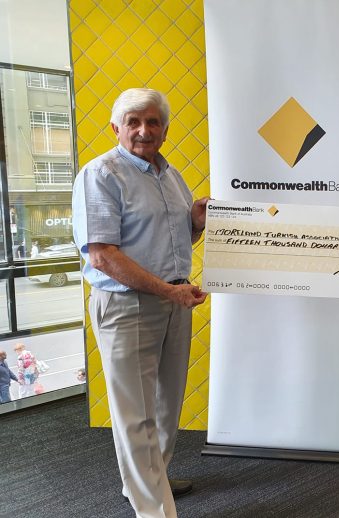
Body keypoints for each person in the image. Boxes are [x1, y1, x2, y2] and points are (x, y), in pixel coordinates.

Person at [72, 87, 209, 518]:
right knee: (136, 414)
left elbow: (170, 242)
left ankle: (152, 480)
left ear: (165, 130)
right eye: (133, 122)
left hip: (173, 301)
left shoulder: (170, 175)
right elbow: (103, 255)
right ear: (116, 128)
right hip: (127, 306)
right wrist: (168, 291)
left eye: (153, 122)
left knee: (166, 406)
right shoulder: (101, 175)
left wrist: (196, 224)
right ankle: (154, 509)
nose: (144, 130)